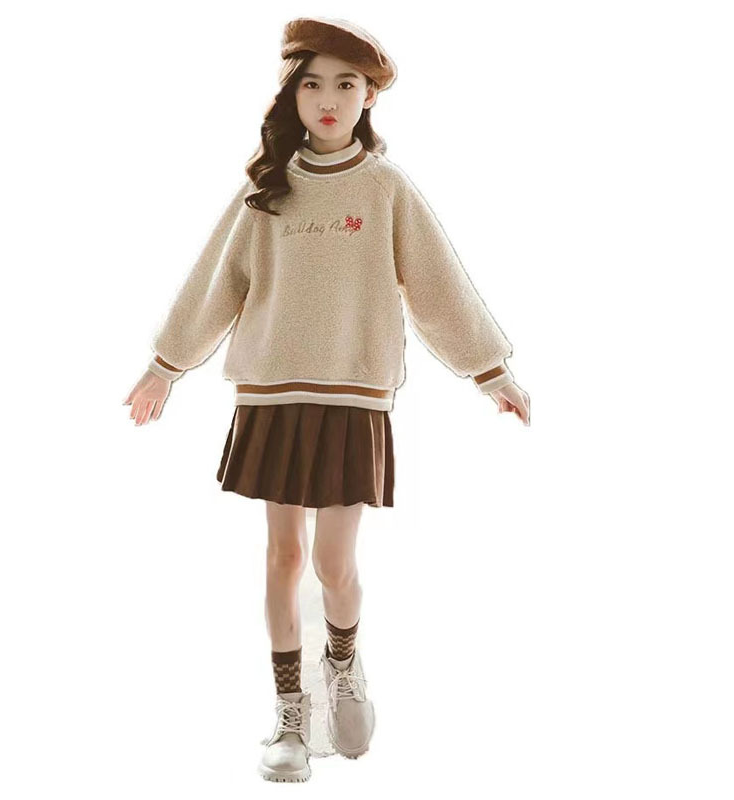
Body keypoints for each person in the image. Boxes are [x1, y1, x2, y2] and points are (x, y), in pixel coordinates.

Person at [123, 16, 531, 783]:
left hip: (353, 395)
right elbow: (216, 283)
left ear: (369, 95)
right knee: (283, 556)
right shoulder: (265, 190)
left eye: (347, 84)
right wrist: (164, 367)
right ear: (292, 94)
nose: (329, 99)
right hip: (272, 393)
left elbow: (438, 287)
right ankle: (289, 716)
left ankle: (343, 666)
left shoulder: (384, 188)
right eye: (312, 84)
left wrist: (490, 371)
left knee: (335, 564)